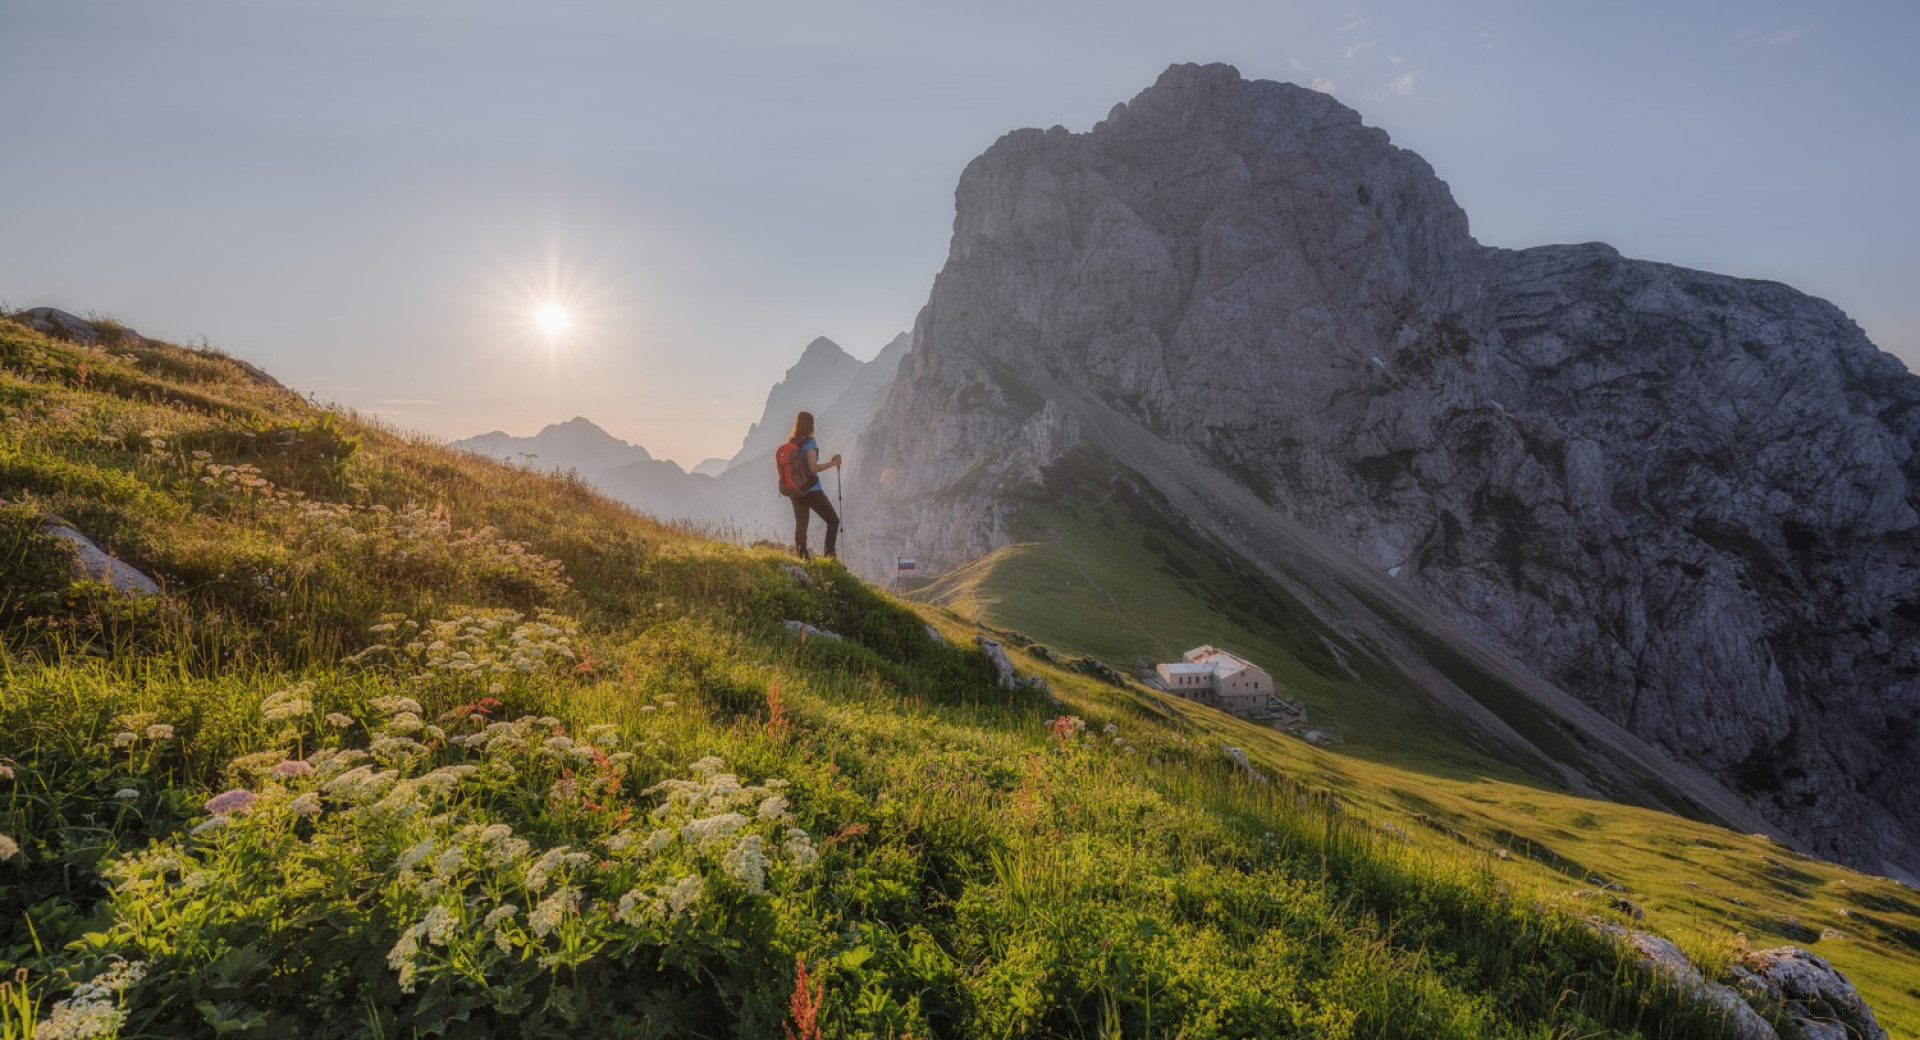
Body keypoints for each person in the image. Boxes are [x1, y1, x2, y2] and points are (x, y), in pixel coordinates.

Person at [786, 410, 841, 559]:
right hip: (812, 490)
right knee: (833, 520)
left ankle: (803, 557)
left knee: (801, 525)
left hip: (795, 491)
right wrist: (833, 463)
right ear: (810, 425)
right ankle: (829, 555)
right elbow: (813, 467)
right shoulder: (810, 442)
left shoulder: (791, 443)